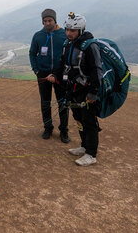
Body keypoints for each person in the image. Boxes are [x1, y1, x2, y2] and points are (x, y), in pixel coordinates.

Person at [47, 13, 103, 166]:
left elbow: (96, 70)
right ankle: (84, 146)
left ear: (81, 30)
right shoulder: (68, 44)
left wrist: (93, 92)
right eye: (67, 29)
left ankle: (91, 154)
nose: (69, 33)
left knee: (89, 121)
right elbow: (62, 64)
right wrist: (55, 74)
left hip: (87, 90)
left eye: (73, 30)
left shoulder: (90, 46)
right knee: (78, 118)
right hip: (73, 89)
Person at [29, 8, 70, 143]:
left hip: (60, 74)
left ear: (55, 20)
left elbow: (69, 54)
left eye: (49, 20)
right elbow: (32, 53)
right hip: (43, 74)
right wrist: (36, 70)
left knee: (63, 103)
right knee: (45, 103)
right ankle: (48, 128)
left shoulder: (64, 34)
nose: (47, 23)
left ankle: (64, 131)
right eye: (45, 21)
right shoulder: (38, 36)